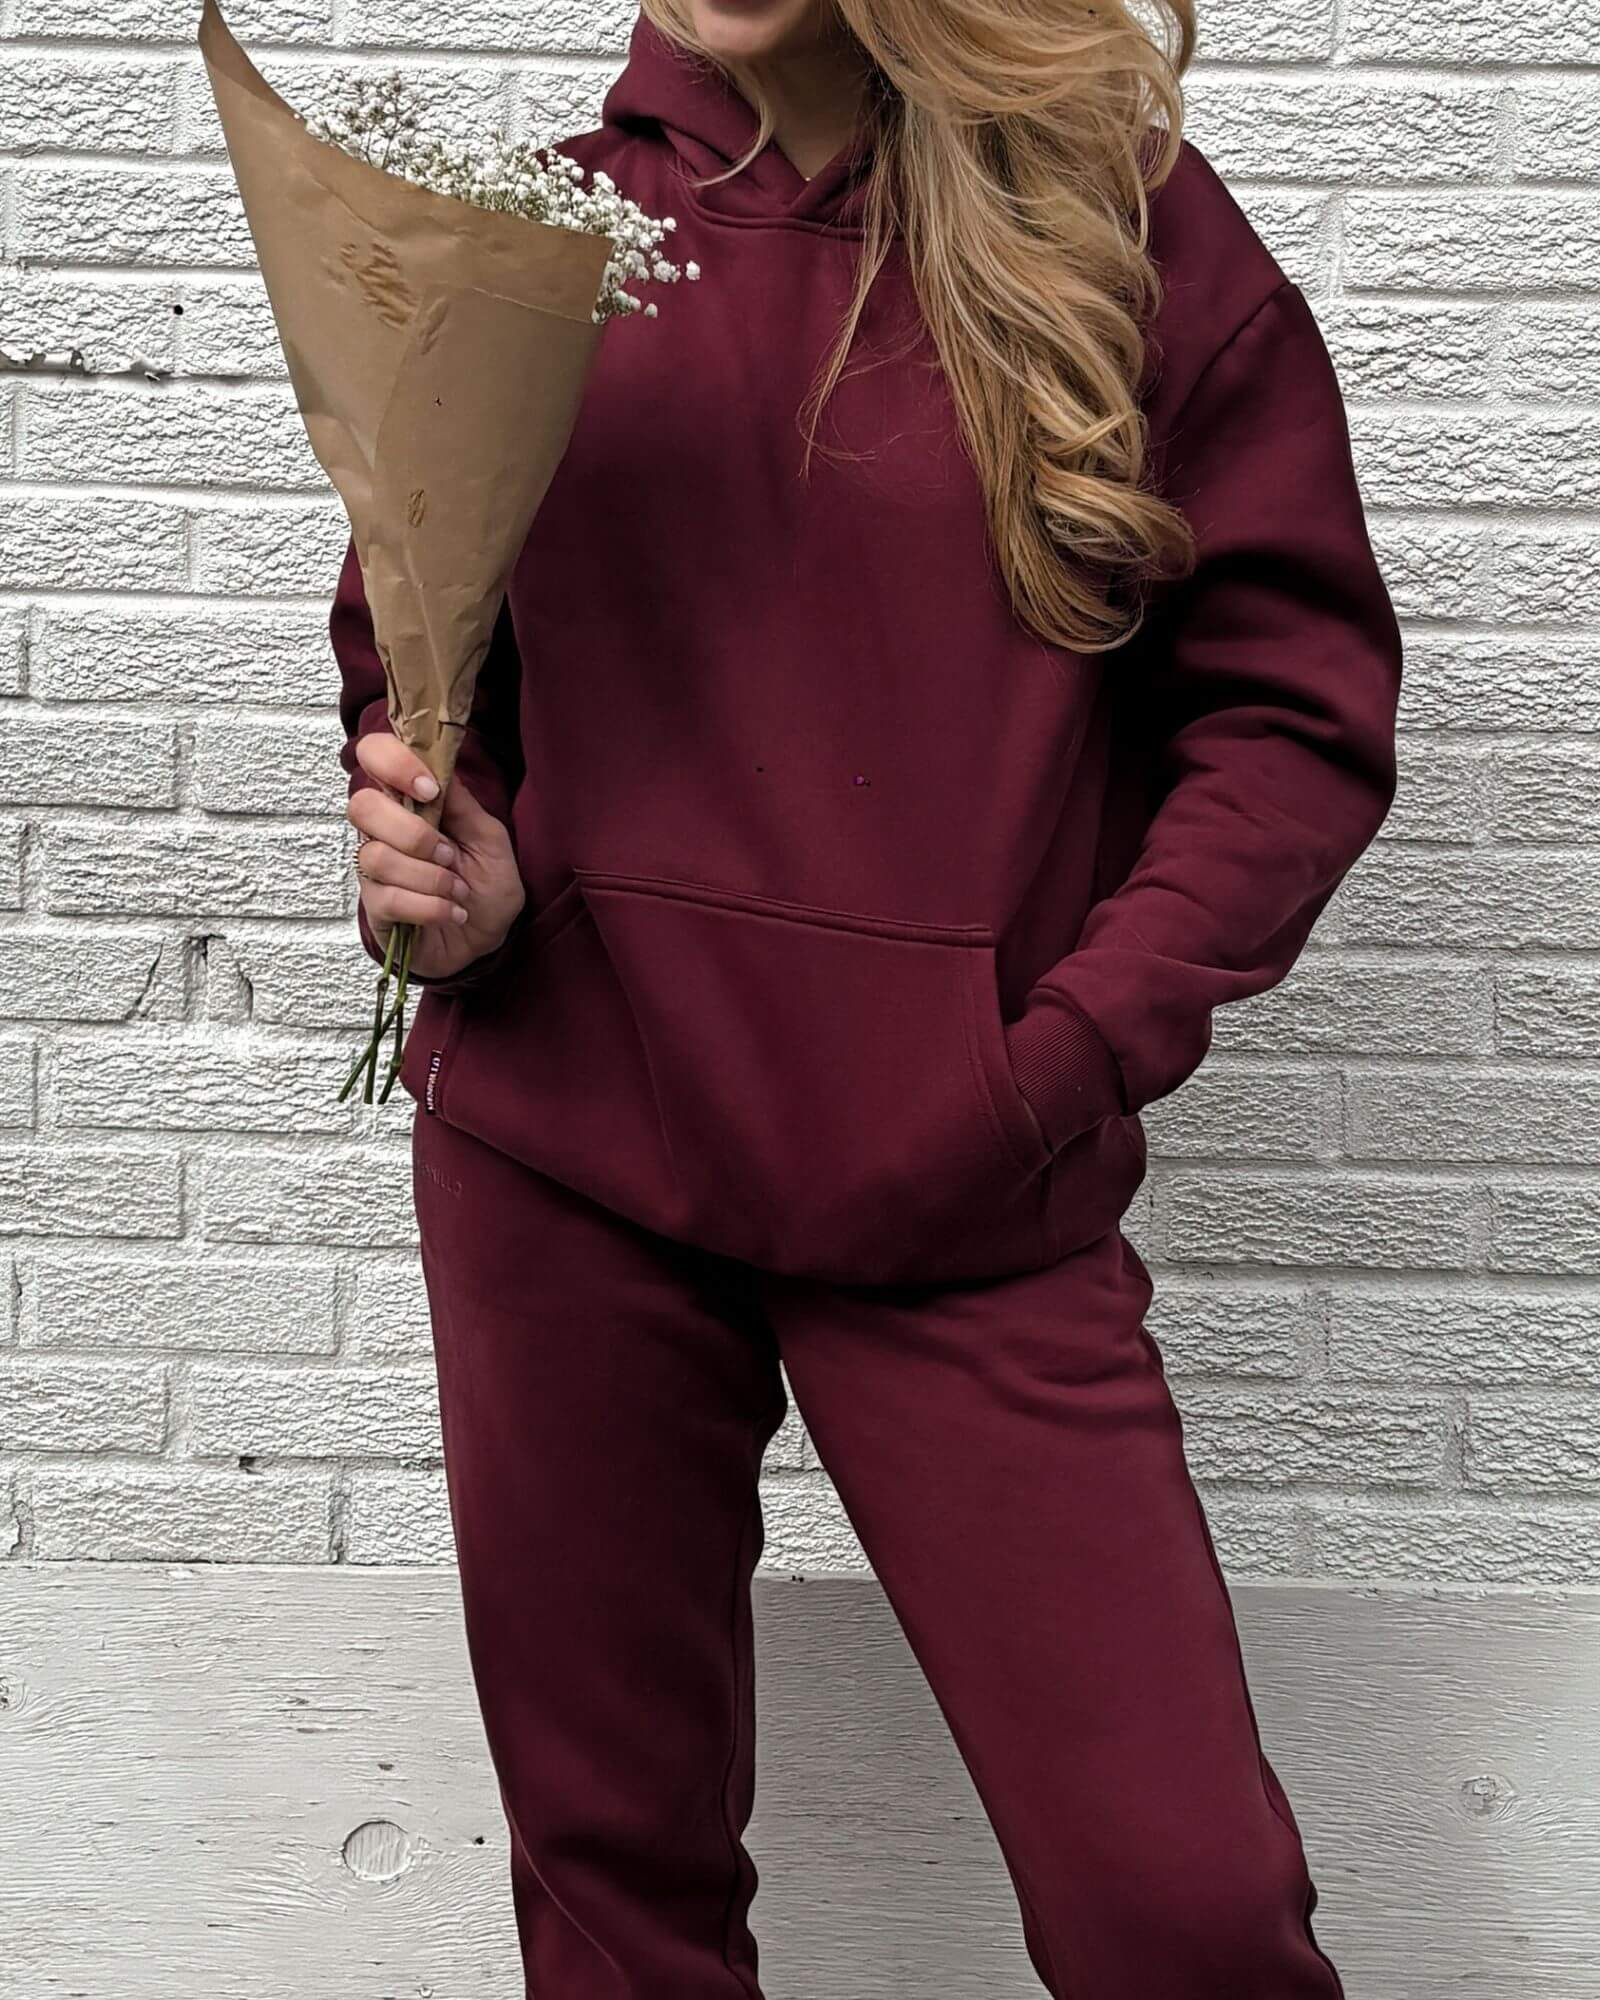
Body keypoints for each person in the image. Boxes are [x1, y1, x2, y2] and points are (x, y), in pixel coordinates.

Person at [334, 1, 1401, 1992]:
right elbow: (412, 683)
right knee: (612, 1885)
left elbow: (1286, 724)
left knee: (1178, 1912)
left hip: (960, 1175)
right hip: (560, 1163)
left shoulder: (1131, 246)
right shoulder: (538, 244)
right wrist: (444, 889)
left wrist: (1053, 1062)